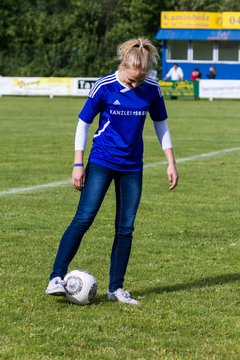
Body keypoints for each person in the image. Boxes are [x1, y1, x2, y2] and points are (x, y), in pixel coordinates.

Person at [45, 38, 179, 305]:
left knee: (126, 228)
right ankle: (55, 278)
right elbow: (83, 124)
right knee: (84, 218)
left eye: (141, 79)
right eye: (132, 78)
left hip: (132, 167)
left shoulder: (152, 89)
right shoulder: (104, 86)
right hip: (102, 161)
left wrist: (171, 162)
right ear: (124, 65)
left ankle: (116, 289)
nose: (135, 84)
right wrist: (77, 164)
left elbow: (161, 125)